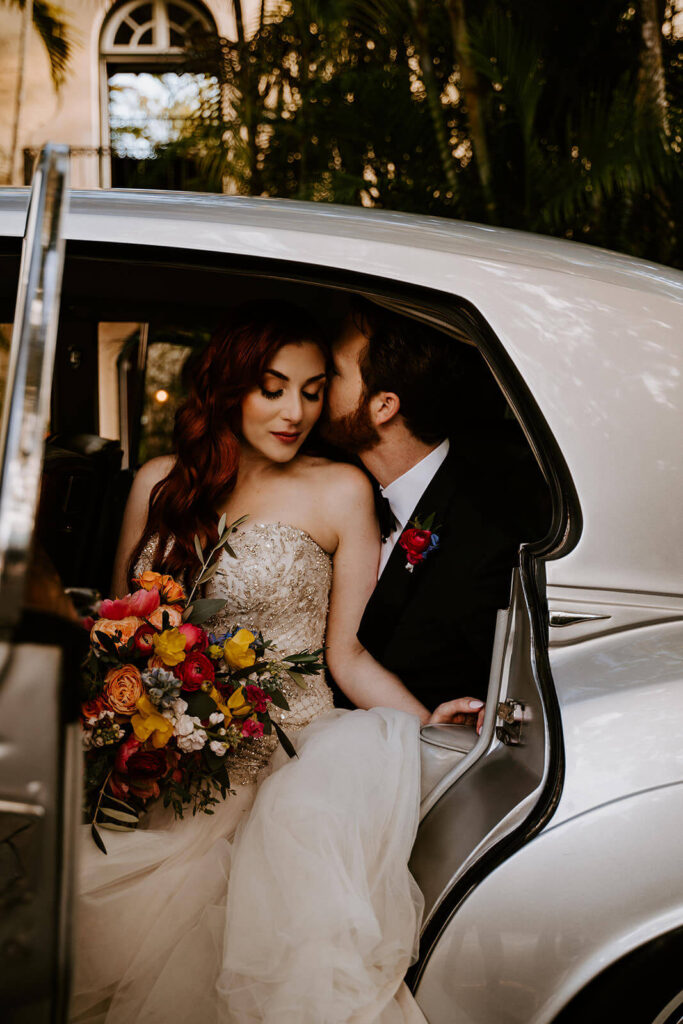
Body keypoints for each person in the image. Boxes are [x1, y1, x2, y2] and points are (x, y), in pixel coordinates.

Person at [72, 301, 481, 1024]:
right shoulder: (158, 483)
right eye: (273, 386)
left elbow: (346, 655)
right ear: (230, 386)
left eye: (314, 388)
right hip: (170, 768)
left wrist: (427, 723)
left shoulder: (339, 489)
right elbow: (117, 634)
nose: (296, 410)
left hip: (294, 765)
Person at [323, 299, 550, 719]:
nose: (320, 384)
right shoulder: (330, 486)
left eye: (334, 372)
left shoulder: (489, 530)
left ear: (383, 406)